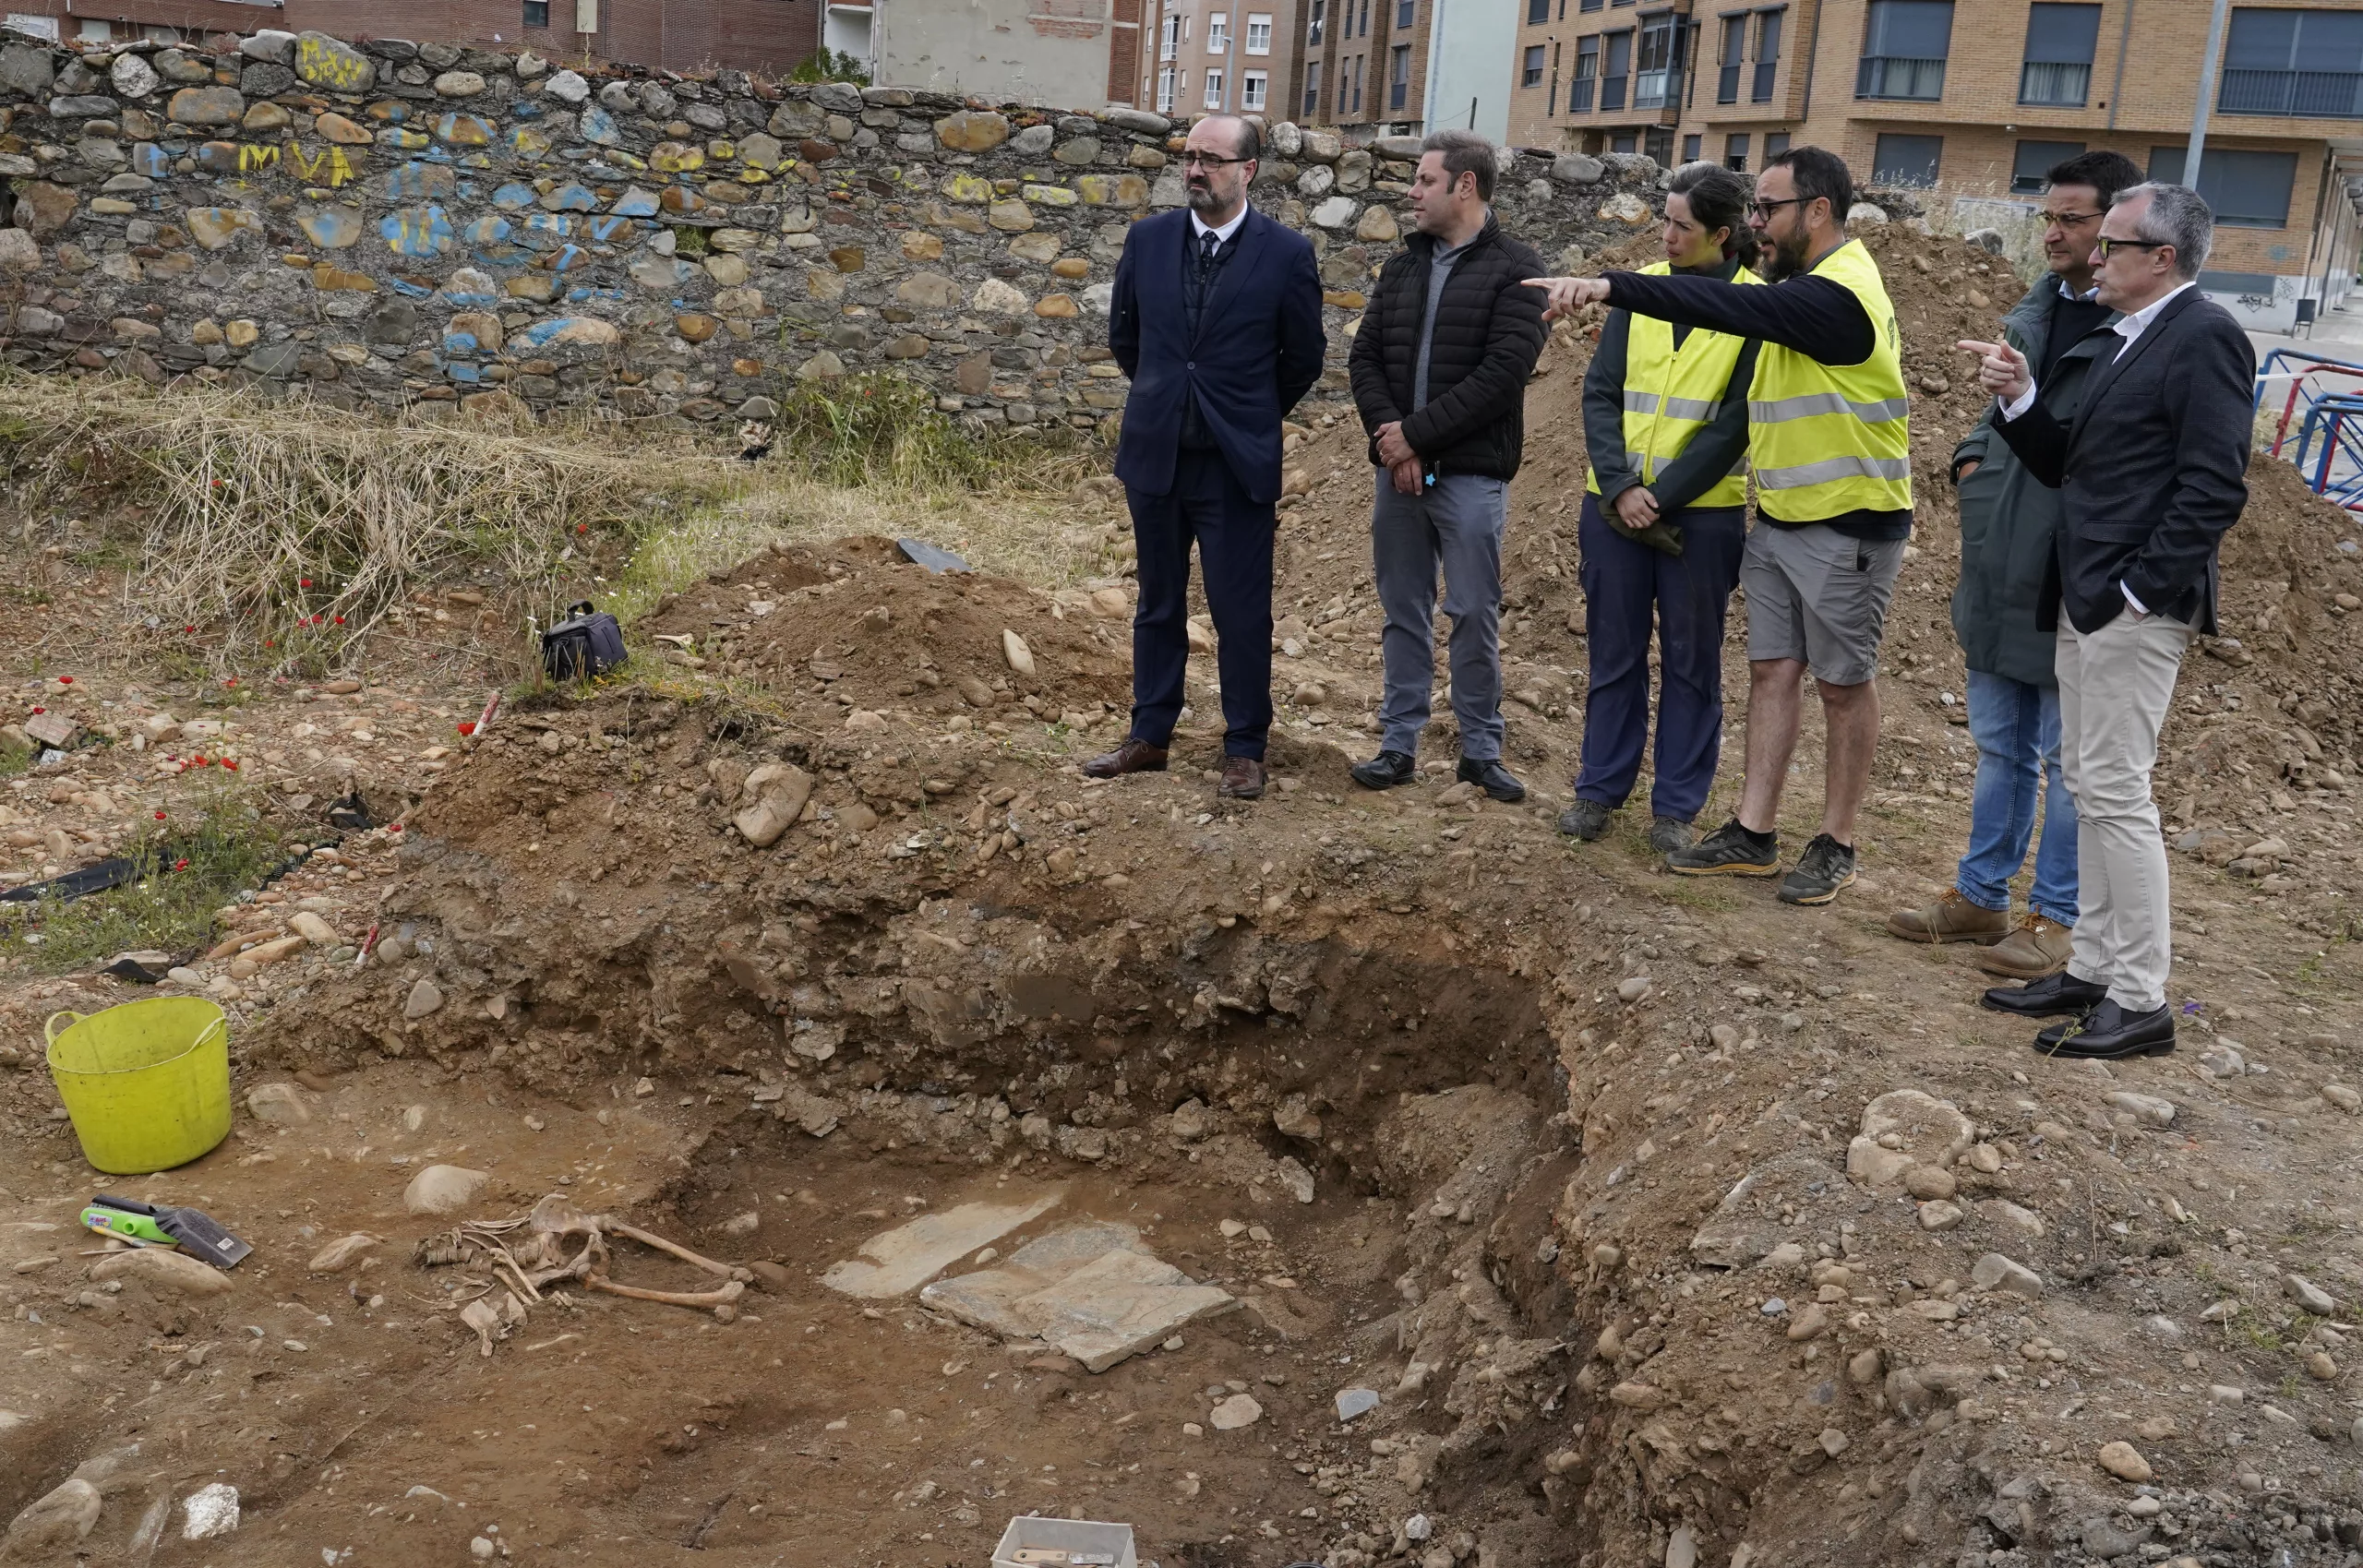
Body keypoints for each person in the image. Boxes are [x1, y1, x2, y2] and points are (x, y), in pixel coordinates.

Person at [1526, 146, 1912, 905]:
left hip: (1849, 521)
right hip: (1780, 515)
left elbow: (1727, 310)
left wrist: (1608, 286)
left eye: (1768, 210)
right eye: (1755, 210)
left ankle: (1836, 843)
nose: (1756, 225)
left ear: (1819, 211)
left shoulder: (1839, 294)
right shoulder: (1802, 282)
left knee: (1841, 684)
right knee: (1772, 673)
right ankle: (1752, 831)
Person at [1961, 183, 2253, 1059]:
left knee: (2118, 793)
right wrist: (2017, 399)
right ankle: (2091, 965)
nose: (2094, 255)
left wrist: (2135, 592)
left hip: (2128, 607)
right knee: (2091, 788)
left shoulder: (2204, 339)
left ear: (2162, 258)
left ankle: (2140, 997)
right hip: (2087, 599)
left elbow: (2214, 488)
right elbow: (2072, 466)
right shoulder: (2127, 338)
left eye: (2113, 243)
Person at [1885, 150, 2141, 980]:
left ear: (2118, 225)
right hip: (2000, 564)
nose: (2056, 233)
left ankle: (2055, 918)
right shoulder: (2034, 309)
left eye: (2073, 218)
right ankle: (1980, 895)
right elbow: (1999, 411)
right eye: (2049, 217)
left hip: (2068, 575)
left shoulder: (2132, 331)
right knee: (2000, 745)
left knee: (2070, 765)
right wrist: (1971, 456)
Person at [1090, 114, 1326, 800]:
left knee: (1241, 611)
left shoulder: (1286, 254)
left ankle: (1245, 747)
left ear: (1248, 170)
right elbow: (1126, 341)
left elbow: (1303, 359)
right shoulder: (1148, 240)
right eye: (1190, 157)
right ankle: (1150, 736)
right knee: (1157, 603)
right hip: (1157, 454)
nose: (1195, 170)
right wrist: (1172, 399)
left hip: (1235, 463)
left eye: (1212, 160)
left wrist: (1246, 412)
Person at [1558, 162, 1764, 854]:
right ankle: (1599, 789)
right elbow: (1600, 393)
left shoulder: (1756, 306)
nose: (1667, 235)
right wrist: (1619, 485)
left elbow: (1737, 419)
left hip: (1700, 516)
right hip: (1613, 506)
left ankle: (1676, 806)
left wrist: (1663, 495)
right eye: (1665, 221)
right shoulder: (1639, 290)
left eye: (1682, 225)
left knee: (1691, 661)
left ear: (1723, 235)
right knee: (1614, 654)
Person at [1344, 129, 1549, 802]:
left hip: (1467, 476)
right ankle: (1397, 744)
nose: (1412, 191)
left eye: (1425, 180)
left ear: (1466, 185)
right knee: (1403, 609)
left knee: (1471, 611)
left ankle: (1480, 752)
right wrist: (1388, 441)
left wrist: (1416, 441)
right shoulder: (1403, 267)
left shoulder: (1520, 268)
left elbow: (1502, 376)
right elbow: (1365, 359)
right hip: (1397, 473)